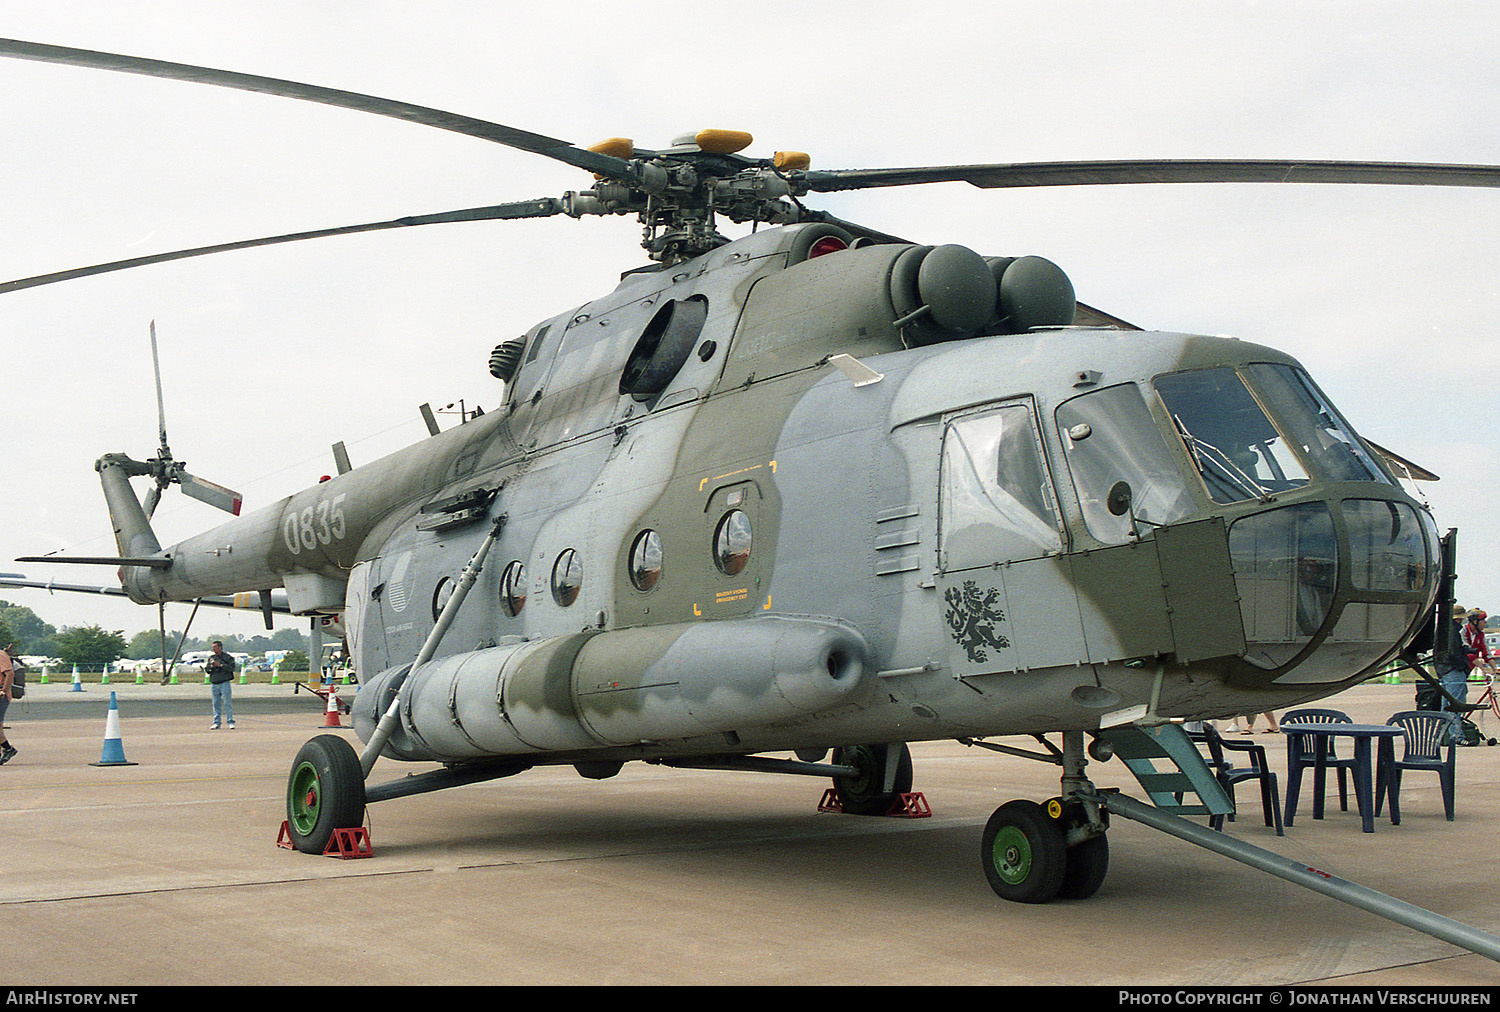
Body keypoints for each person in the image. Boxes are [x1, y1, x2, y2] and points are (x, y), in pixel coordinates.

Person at [1434, 603, 1471, 712]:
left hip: (1443, 670)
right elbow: (1454, 653)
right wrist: (1463, 667)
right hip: (1453, 670)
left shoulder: (1443, 629)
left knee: (1446, 706)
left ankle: (1445, 728)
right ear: (1459, 618)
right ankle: (1454, 729)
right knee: (1456, 706)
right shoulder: (1453, 631)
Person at [205, 641, 236, 730]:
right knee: (215, 704)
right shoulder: (212, 658)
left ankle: (230, 721)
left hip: (224, 682)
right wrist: (211, 666)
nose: (213, 649)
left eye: (215, 647)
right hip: (214, 683)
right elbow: (207, 670)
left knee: (227, 703)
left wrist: (221, 665)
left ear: (220, 647)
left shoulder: (228, 657)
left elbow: (231, 668)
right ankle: (216, 722)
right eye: (213, 647)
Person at [1464, 609, 1495, 679]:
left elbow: (1486, 653)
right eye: (1483, 620)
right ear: (1475, 622)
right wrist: (1484, 669)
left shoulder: (1480, 634)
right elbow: (1468, 653)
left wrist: (1495, 668)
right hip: (1459, 668)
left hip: (1468, 668)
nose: (1485, 622)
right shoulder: (1463, 632)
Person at [0, 643, 17, 765]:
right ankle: (6, 749)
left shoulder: (0, 655)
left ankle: (8, 748)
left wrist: (3, 691)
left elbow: (10, 674)